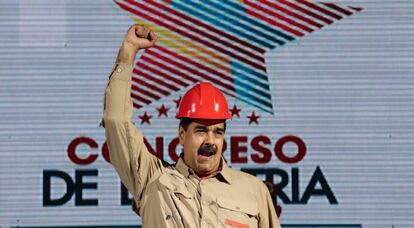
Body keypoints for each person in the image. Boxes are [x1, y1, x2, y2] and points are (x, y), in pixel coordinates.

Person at [103, 24, 281, 228]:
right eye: (201, 130)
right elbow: (115, 121)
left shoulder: (254, 190)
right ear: (182, 134)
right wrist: (128, 53)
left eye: (218, 132)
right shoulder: (151, 179)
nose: (210, 141)